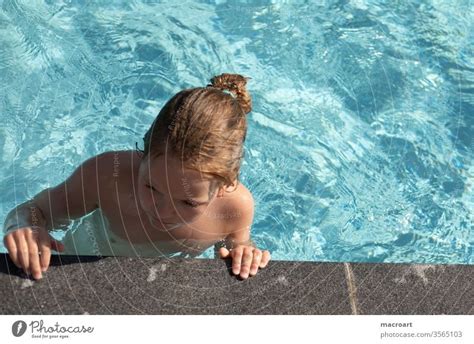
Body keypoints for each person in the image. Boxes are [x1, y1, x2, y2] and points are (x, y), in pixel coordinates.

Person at [3, 73, 271, 281]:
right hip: (76, 267)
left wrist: (244, 253)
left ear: (225, 186)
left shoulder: (235, 208)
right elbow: (35, 210)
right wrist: (27, 227)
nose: (163, 210)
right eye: (151, 187)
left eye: (189, 202)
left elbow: (235, 249)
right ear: (141, 156)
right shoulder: (107, 176)